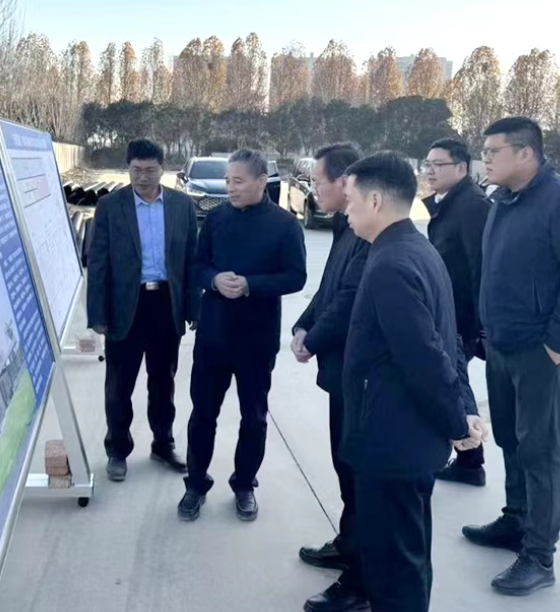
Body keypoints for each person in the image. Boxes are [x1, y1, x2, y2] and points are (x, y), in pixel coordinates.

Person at [308, 152, 484, 612]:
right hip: (407, 441)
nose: (346, 211)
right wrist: (464, 409)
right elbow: (448, 342)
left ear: (376, 201)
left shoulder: (390, 264)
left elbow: (425, 357)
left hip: (391, 443)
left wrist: (458, 421)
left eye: (351, 201)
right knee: (407, 557)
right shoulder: (417, 250)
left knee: (393, 569)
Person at [464, 117, 560, 596]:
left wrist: (556, 347)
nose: (485, 158)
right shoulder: (503, 200)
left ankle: (539, 556)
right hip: (503, 346)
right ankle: (516, 521)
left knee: (540, 451)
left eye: (494, 151)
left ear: (526, 153)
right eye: (484, 151)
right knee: (510, 439)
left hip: (543, 353)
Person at [178, 149, 307, 522]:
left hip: (257, 338)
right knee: (203, 415)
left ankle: (245, 484)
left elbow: (296, 277)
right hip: (213, 336)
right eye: (227, 181)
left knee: (254, 418)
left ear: (261, 181)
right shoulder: (216, 218)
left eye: (238, 181)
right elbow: (197, 266)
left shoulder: (285, 225)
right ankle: (195, 484)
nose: (230, 188)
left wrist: (251, 285)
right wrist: (214, 280)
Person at [86, 139, 200, 483]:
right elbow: (98, 262)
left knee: (163, 381)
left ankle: (163, 443)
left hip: (166, 304)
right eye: (136, 170)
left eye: (150, 170)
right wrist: (98, 314)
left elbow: (191, 261)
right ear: (128, 169)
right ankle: (117, 450)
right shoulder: (110, 206)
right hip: (126, 306)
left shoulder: (181, 205)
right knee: (119, 385)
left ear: (163, 169)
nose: (143, 177)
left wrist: (193, 307)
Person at [291, 144, 369, 582]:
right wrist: (304, 325)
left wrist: (314, 339)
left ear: (344, 182)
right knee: (343, 461)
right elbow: (329, 289)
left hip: (358, 373)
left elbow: (350, 298)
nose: (314, 189)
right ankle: (349, 543)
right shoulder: (345, 223)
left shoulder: (367, 231)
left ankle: (359, 570)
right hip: (339, 369)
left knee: (356, 469)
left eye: (318, 181)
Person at [421, 138, 492, 487]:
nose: (430, 171)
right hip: (448, 312)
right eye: (428, 164)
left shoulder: (473, 206)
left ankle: (469, 459)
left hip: (461, 318)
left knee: (452, 385)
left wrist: (479, 327)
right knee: (454, 384)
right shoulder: (450, 202)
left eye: (439, 165)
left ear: (461, 168)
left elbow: (482, 269)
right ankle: (469, 461)